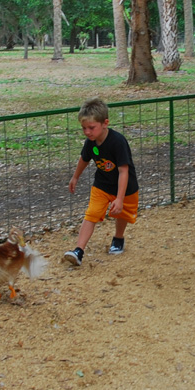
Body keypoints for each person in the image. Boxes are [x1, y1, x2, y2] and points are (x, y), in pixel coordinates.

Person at [63, 97, 139, 266]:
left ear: (105, 123)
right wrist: (75, 177)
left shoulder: (118, 142)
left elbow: (123, 171)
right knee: (92, 213)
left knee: (121, 213)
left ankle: (118, 239)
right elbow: (84, 159)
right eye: (84, 128)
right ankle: (78, 251)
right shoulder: (90, 142)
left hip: (125, 188)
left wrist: (119, 198)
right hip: (102, 185)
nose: (87, 132)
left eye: (91, 128)